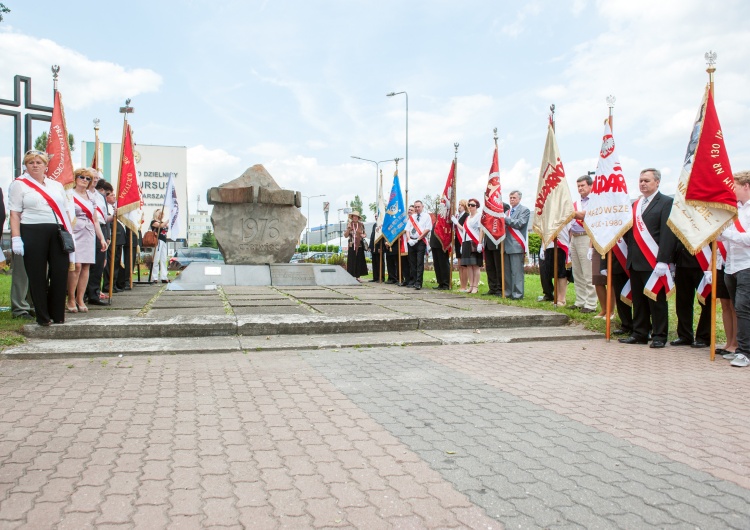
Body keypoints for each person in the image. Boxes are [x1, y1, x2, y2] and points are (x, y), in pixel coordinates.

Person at [8, 150, 71, 326]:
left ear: (45, 165)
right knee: (37, 275)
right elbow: (14, 213)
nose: (35, 165)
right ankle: (42, 316)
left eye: (38, 162)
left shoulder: (55, 185)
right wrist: (16, 238)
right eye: (31, 162)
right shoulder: (19, 184)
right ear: (26, 165)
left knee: (59, 272)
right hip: (31, 229)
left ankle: (57, 314)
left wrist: (69, 233)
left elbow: (65, 211)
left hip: (57, 230)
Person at [619, 168, 676, 348]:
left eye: (647, 181)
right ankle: (640, 333)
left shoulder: (666, 202)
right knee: (639, 300)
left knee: (656, 300)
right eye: (641, 180)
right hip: (636, 260)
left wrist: (663, 260)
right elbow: (630, 232)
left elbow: (667, 233)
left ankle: (659, 335)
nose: (643, 183)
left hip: (654, 261)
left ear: (657, 182)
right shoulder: (636, 204)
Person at [718, 170, 750, 367]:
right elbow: (724, 237)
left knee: (743, 308)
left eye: (735, 186)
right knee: (736, 309)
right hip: (730, 265)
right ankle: (738, 347)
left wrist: (727, 233)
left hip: (747, 265)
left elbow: (747, 239)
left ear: (746, 186)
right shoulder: (734, 210)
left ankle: (745, 352)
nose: (732, 191)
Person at [67, 168, 109, 312]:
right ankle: (71, 298)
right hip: (75, 232)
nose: (84, 180)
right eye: (81, 177)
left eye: (87, 178)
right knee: (76, 266)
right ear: (75, 178)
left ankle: (80, 298)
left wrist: (102, 238)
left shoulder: (91, 197)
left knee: (86, 267)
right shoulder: (69, 194)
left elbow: (96, 219)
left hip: (89, 233)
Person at [670, 241, 711, 348]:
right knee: (682, 302)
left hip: (703, 263)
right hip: (681, 261)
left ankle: (704, 337)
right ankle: (685, 335)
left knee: (707, 302)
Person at [567, 176, 597, 313]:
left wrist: (567, 212)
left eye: (583, 185)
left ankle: (591, 303)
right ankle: (580, 300)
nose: (580, 188)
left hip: (587, 237)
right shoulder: (576, 203)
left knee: (588, 272)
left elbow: (585, 215)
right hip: (575, 236)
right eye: (578, 186)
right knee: (577, 272)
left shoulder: (595, 201)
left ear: (591, 186)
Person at [86, 179, 114, 304]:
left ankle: (94, 293)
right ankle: (82, 294)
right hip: (87, 228)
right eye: (92, 177)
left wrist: (106, 235)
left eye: (96, 177)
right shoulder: (85, 194)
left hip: (101, 228)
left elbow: (103, 218)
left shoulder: (101, 197)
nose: (94, 179)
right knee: (86, 264)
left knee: (98, 265)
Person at [503, 191, 530, 299]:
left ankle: (518, 294)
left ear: (519, 199)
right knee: (507, 273)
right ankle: (508, 292)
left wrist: (505, 219)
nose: (512, 199)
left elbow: (519, 223)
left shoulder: (525, 210)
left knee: (516, 272)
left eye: (514, 197)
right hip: (506, 244)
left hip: (516, 245)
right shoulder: (508, 212)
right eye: (510, 197)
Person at [458, 198, 483, 294]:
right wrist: (462, 244)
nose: (470, 207)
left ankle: (475, 286)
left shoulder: (479, 216)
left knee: (475, 265)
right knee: (468, 265)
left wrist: (480, 243)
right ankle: (471, 285)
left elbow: (481, 230)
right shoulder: (468, 218)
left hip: (474, 242)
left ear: (476, 206)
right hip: (466, 242)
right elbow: (464, 231)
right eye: (469, 205)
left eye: (472, 205)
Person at [406, 200, 432, 290]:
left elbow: (427, 229)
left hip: (420, 241)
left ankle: (418, 282)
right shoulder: (412, 217)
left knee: (419, 262)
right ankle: (413, 280)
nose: (417, 208)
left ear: (422, 206)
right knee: (412, 262)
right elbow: (407, 229)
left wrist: (417, 239)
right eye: (415, 207)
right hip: (411, 241)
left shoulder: (426, 216)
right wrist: (409, 239)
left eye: (418, 207)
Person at [429, 212, 451, 290]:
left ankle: (446, 283)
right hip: (434, 245)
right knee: (437, 265)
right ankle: (440, 282)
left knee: (443, 264)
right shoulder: (437, 222)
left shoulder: (444, 220)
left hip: (441, 245)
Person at [344, 210, 368, 280]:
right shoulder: (349, 224)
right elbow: (345, 235)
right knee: (351, 261)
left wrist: (363, 235)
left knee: (359, 261)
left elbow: (364, 233)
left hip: (359, 245)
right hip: (352, 245)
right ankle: (351, 277)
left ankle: (358, 276)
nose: (355, 218)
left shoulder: (361, 225)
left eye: (356, 216)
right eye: (354, 216)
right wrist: (348, 229)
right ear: (352, 217)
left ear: (358, 217)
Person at [150, 209, 170, 284]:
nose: (162, 215)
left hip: (164, 241)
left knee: (163, 259)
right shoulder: (154, 222)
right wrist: (167, 221)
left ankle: (164, 276)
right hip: (157, 241)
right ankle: (154, 277)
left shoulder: (163, 222)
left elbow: (166, 227)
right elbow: (160, 226)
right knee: (156, 259)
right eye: (160, 214)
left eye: (162, 214)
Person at [454, 199, 469, 292]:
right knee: (459, 265)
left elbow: (464, 229)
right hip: (457, 241)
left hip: (464, 240)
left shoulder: (466, 216)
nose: (459, 206)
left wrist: (456, 223)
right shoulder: (458, 216)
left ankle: (464, 286)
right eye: (459, 204)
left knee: (464, 265)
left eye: (461, 205)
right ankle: (461, 285)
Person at [368, 214, 386, 282]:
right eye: (375, 216)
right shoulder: (374, 225)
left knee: (380, 262)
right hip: (374, 247)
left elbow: (382, 237)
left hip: (380, 247)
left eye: (377, 216)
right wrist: (370, 246)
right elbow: (372, 236)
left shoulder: (382, 225)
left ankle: (381, 277)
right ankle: (375, 277)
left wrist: (381, 247)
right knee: (374, 263)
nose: (376, 217)